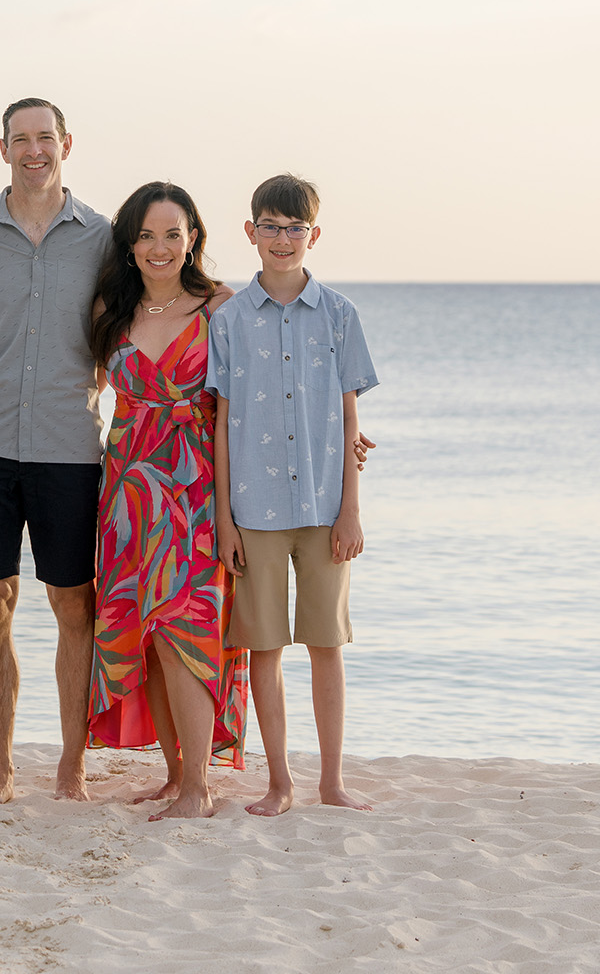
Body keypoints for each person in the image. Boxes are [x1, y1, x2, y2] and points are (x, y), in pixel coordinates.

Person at [0, 97, 111, 806]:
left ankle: (71, 765)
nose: (33, 150)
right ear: (2, 148)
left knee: (74, 604)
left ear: (66, 142)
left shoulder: (103, 237)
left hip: (69, 443)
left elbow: (157, 309)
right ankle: (0, 769)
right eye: (20, 139)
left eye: (45, 137)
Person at [209, 172, 379, 816]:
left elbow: (349, 416)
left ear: (314, 234)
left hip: (323, 509)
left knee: (327, 646)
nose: (283, 239)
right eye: (271, 226)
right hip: (254, 513)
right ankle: (278, 782)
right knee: (265, 649)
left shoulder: (340, 315)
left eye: (295, 228)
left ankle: (330, 781)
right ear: (250, 232)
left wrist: (351, 509)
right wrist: (224, 518)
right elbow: (223, 423)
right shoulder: (228, 322)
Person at [89, 182, 248, 820]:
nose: (160, 247)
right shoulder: (111, 309)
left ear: (193, 239)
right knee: (147, 632)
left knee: (189, 629)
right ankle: (175, 772)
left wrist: (336, 436)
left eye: (173, 234)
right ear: (130, 244)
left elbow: (254, 400)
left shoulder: (221, 308)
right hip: (127, 494)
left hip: (196, 494)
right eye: (148, 235)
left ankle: (198, 789)